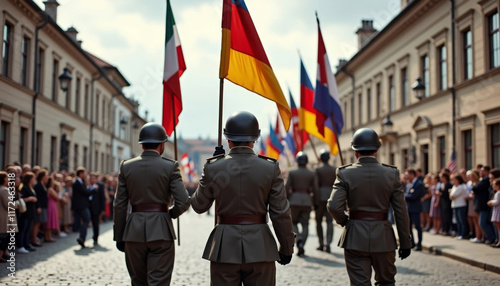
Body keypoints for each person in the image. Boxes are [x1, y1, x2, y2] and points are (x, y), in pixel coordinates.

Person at [190, 111, 295, 285]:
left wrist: (209, 174)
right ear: (255, 139)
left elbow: (198, 206)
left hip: (224, 247)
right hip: (260, 246)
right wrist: (286, 247)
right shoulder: (270, 168)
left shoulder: (214, 167)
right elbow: (281, 213)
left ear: (228, 139)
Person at [328, 128, 412, 286]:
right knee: (386, 282)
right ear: (377, 150)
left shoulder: (345, 173)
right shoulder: (391, 174)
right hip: (384, 237)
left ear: (355, 152)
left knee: (359, 283)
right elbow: (400, 211)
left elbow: (333, 206)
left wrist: (346, 222)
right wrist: (405, 242)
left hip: (355, 238)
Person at [114, 122, 190, 286]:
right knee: (159, 282)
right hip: (161, 231)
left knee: (138, 282)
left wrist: (119, 236)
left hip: (133, 232)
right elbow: (184, 201)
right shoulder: (170, 167)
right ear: (162, 145)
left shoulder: (126, 167)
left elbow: (119, 205)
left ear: (142, 145)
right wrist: (169, 214)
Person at [285, 151, 317, 257]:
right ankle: (302, 242)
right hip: (307, 201)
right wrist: (314, 202)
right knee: (305, 224)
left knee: (293, 223)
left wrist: (286, 199)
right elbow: (315, 189)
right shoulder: (311, 173)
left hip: (294, 200)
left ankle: (298, 239)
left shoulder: (292, 172)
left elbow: (287, 186)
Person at [314, 149, 336, 253]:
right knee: (329, 221)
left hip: (320, 198)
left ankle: (321, 243)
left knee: (318, 221)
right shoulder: (334, 169)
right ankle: (328, 243)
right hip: (332, 196)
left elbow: (315, 186)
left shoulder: (318, 170)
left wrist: (315, 200)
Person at [473, 166, 496, 244]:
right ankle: (492, 238)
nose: (480, 172)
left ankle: (492, 238)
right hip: (485, 205)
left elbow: (475, 188)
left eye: (482, 171)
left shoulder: (485, 180)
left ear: (486, 172)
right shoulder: (484, 180)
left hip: (485, 206)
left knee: (483, 222)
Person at [405, 169, 425, 250]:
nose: (406, 177)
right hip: (409, 208)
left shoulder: (419, 184)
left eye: (408, 175)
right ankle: (412, 242)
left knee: (417, 226)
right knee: (409, 227)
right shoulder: (408, 184)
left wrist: (404, 195)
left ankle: (419, 244)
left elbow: (414, 196)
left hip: (416, 208)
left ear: (412, 175)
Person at [18, 172, 38, 253]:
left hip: (31, 211)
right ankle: (21, 245)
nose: (34, 180)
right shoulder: (24, 188)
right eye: (33, 178)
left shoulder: (31, 187)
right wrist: (29, 199)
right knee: (23, 229)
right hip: (25, 211)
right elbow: (21, 199)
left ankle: (27, 244)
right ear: (29, 179)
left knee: (28, 229)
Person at [72, 167, 91, 248]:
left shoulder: (80, 182)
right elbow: (86, 192)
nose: (85, 175)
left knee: (84, 221)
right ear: (80, 174)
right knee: (86, 220)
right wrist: (93, 189)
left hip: (81, 205)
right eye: (84, 173)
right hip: (81, 206)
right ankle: (81, 237)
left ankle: (82, 238)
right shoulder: (77, 183)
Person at [88, 172, 105, 246]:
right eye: (90, 178)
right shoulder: (86, 185)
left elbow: (102, 198)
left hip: (96, 208)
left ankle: (95, 238)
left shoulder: (100, 186)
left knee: (95, 224)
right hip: (87, 207)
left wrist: (102, 209)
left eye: (93, 178)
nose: (91, 180)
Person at [32, 169, 48, 246]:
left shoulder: (43, 184)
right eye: (46, 176)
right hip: (40, 206)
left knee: (40, 223)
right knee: (37, 223)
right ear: (42, 177)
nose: (47, 177)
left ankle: (36, 238)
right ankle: (34, 239)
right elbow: (37, 197)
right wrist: (38, 206)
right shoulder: (38, 185)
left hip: (43, 206)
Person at [466, 170, 483, 242]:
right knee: (474, 221)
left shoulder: (478, 184)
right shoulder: (471, 184)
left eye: (472, 176)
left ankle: (482, 237)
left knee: (479, 221)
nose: (470, 178)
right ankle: (477, 236)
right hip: (471, 203)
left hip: (476, 203)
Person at [450, 174, 468, 239]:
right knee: (457, 221)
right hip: (455, 205)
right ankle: (459, 233)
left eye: (454, 179)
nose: (453, 181)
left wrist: (451, 194)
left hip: (461, 205)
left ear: (458, 180)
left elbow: (453, 195)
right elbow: (451, 197)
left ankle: (463, 234)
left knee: (462, 221)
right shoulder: (454, 187)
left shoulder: (461, 186)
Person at [44, 177, 60, 242]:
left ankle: (48, 236)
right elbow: (57, 197)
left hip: (52, 205)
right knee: (50, 221)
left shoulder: (49, 189)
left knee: (50, 221)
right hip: (51, 205)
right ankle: (48, 236)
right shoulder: (50, 189)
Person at [488, 178, 500, 247]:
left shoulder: (498, 193)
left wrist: (491, 202)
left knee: (499, 228)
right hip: (497, 211)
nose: (493, 186)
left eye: (494, 185)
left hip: (498, 211)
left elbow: (497, 202)